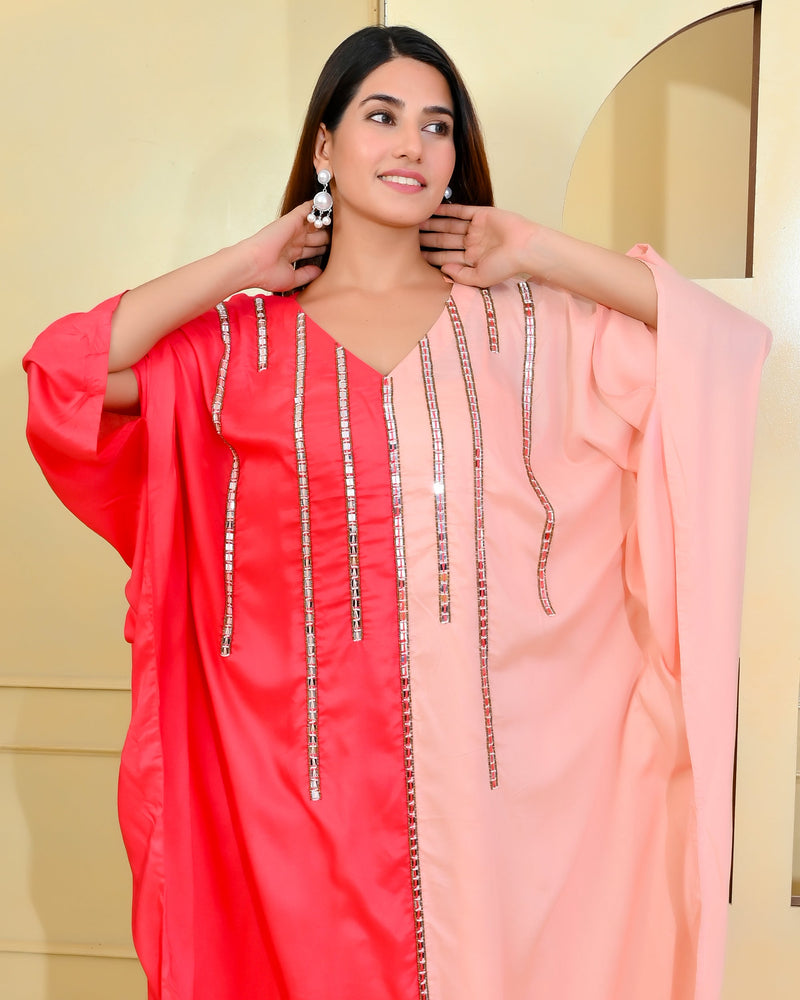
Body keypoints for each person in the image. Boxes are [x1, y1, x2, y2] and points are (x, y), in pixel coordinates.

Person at [24, 24, 769, 1000]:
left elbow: (715, 343)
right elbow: (67, 374)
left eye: (437, 124)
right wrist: (247, 259)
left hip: (501, 813)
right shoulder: (239, 349)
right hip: (288, 801)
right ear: (324, 144)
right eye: (381, 116)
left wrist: (535, 248)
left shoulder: (523, 327)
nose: (412, 144)